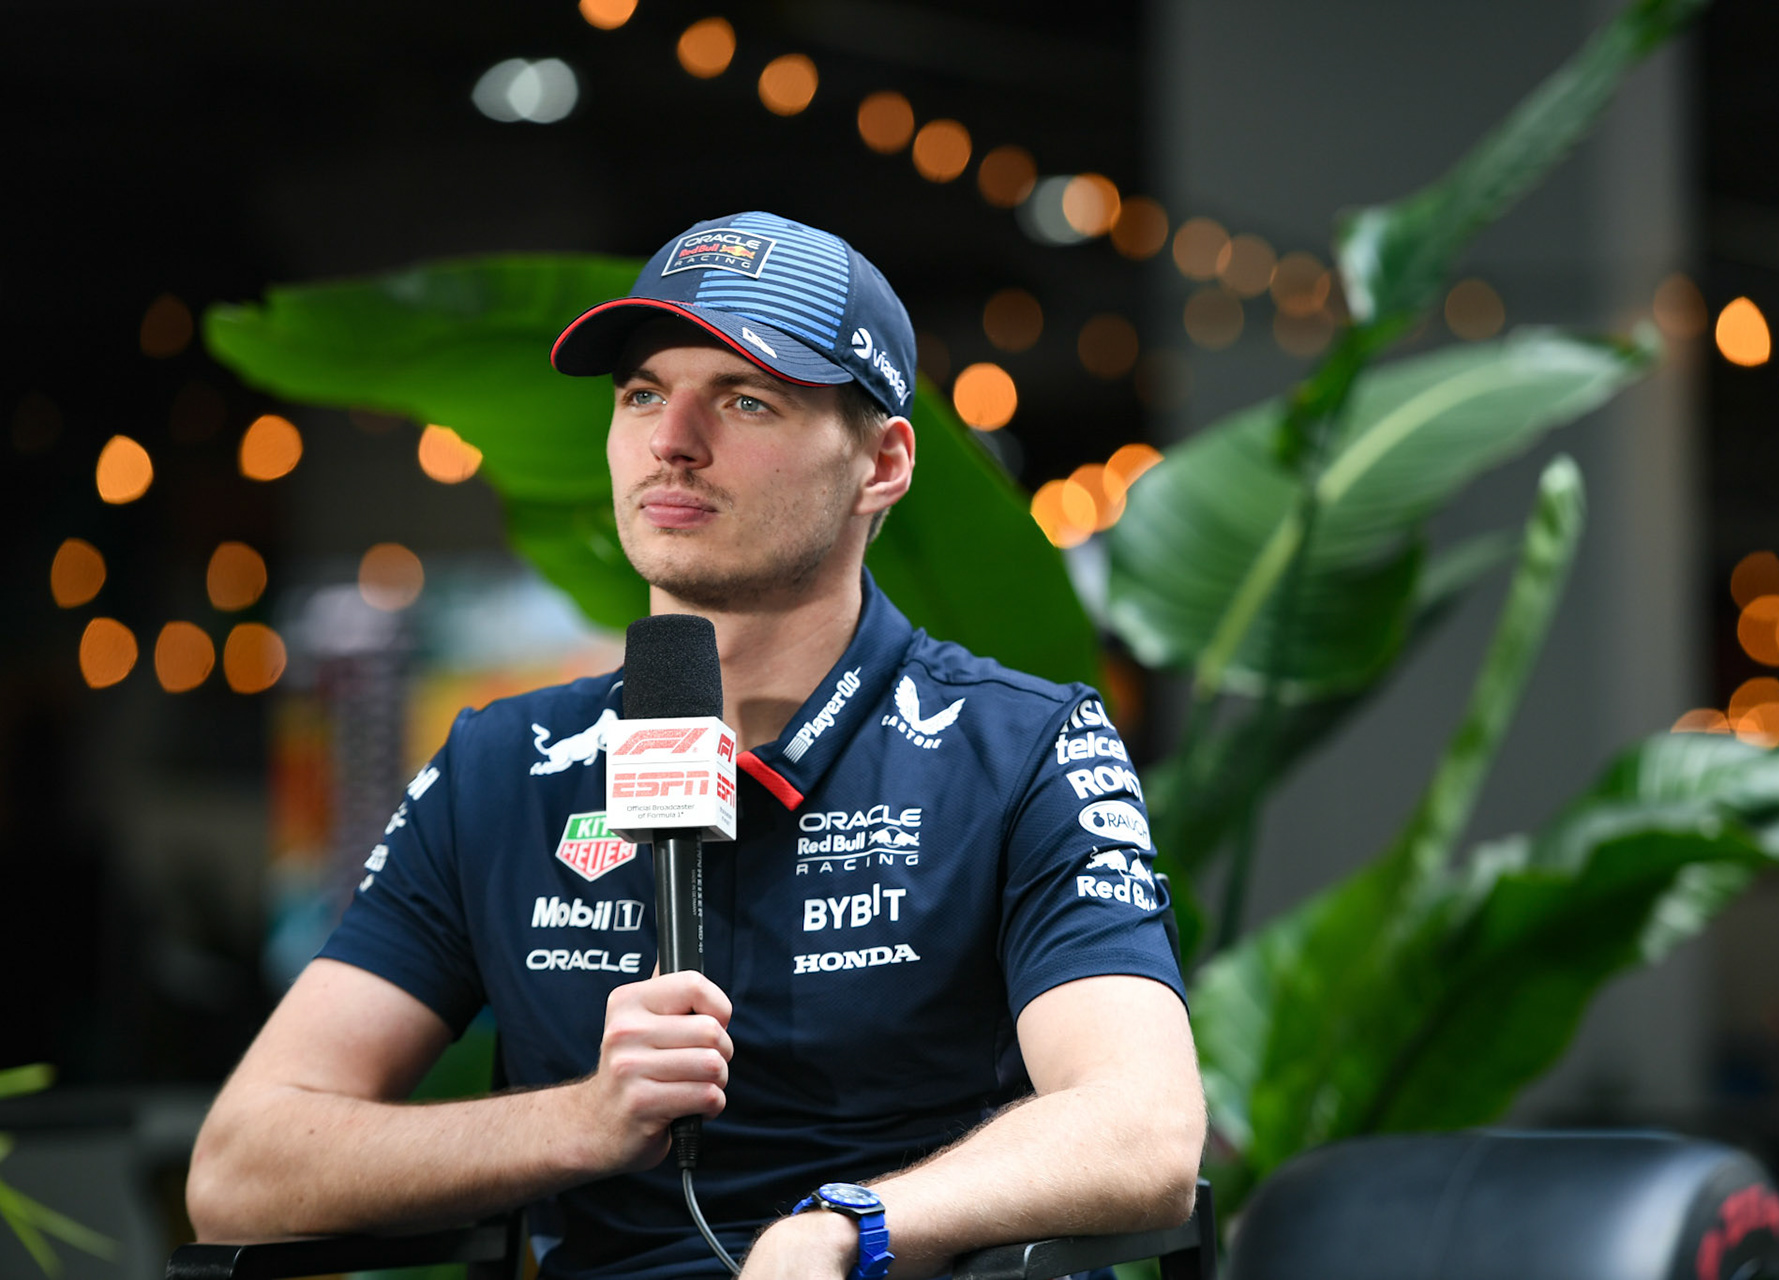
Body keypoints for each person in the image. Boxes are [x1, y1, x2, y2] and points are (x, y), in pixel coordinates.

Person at [186, 211, 1205, 1280]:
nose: (671, 438)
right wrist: (579, 1119)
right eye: (641, 393)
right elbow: (238, 1169)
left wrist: (848, 1227)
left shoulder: (1023, 745)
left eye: (745, 397)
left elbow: (1145, 1126)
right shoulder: (502, 764)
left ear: (884, 462)